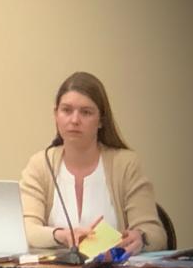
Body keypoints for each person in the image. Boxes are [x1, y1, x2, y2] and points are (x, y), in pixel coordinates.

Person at [20, 71, 166, 255]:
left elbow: (156, 235)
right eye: (66, 110)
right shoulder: (40, 164)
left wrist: (141, 238)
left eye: (86, 112)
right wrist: (62, 235)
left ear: (101, 121)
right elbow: (25, 229)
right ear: (55, 115)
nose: (74, 120)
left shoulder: (126, 164)